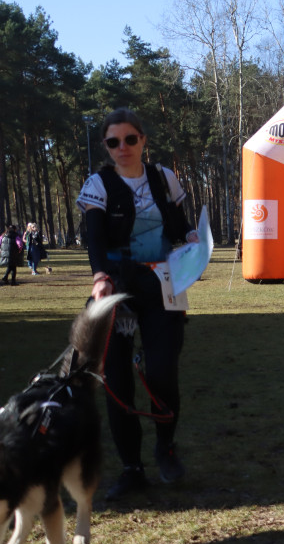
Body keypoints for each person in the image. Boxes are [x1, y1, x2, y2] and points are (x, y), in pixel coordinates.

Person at [77, 108, 200, 499]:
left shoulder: (164, 178)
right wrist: (100, 278)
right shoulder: (98, 184)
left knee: (163, 371)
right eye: (113, 142)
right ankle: (131, 468)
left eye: (130, 139)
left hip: (164, 285)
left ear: (143, 140)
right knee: (117, 381)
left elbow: (178, 225)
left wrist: (194, 237)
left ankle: (166, 448)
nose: (122, 147)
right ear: (105, 146)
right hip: (115, 288)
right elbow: (95, 238)